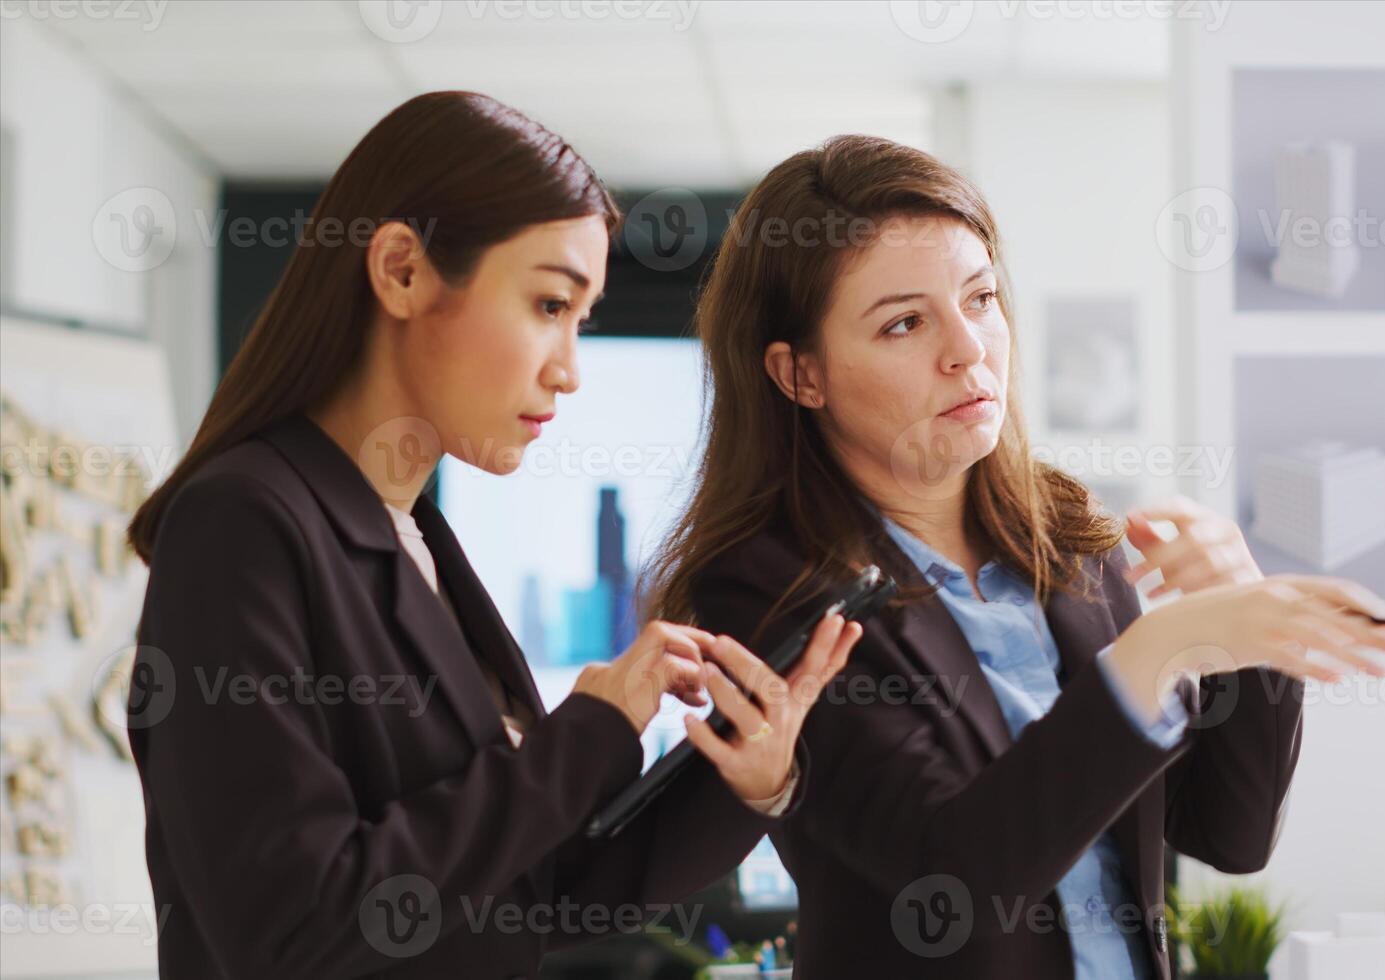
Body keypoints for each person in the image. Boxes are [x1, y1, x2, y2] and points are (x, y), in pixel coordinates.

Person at [124, 91, 860, 979]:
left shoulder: (420, 541)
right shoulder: (242, 522)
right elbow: (295, 920)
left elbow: (535, 890)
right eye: (550, 305)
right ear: (401, 270)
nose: (570, 369)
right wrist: (588, 732)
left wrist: (749, 778)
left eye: (580, 320)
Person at [645, 134, 1385, 978]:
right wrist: (1155, 651)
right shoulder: (765, 589)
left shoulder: (1068, 540)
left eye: (979, 299)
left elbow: (1226, 835)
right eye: (904, 323)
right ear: (799, 376)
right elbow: (950, 879)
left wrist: (1241, 644)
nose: (967, 349)